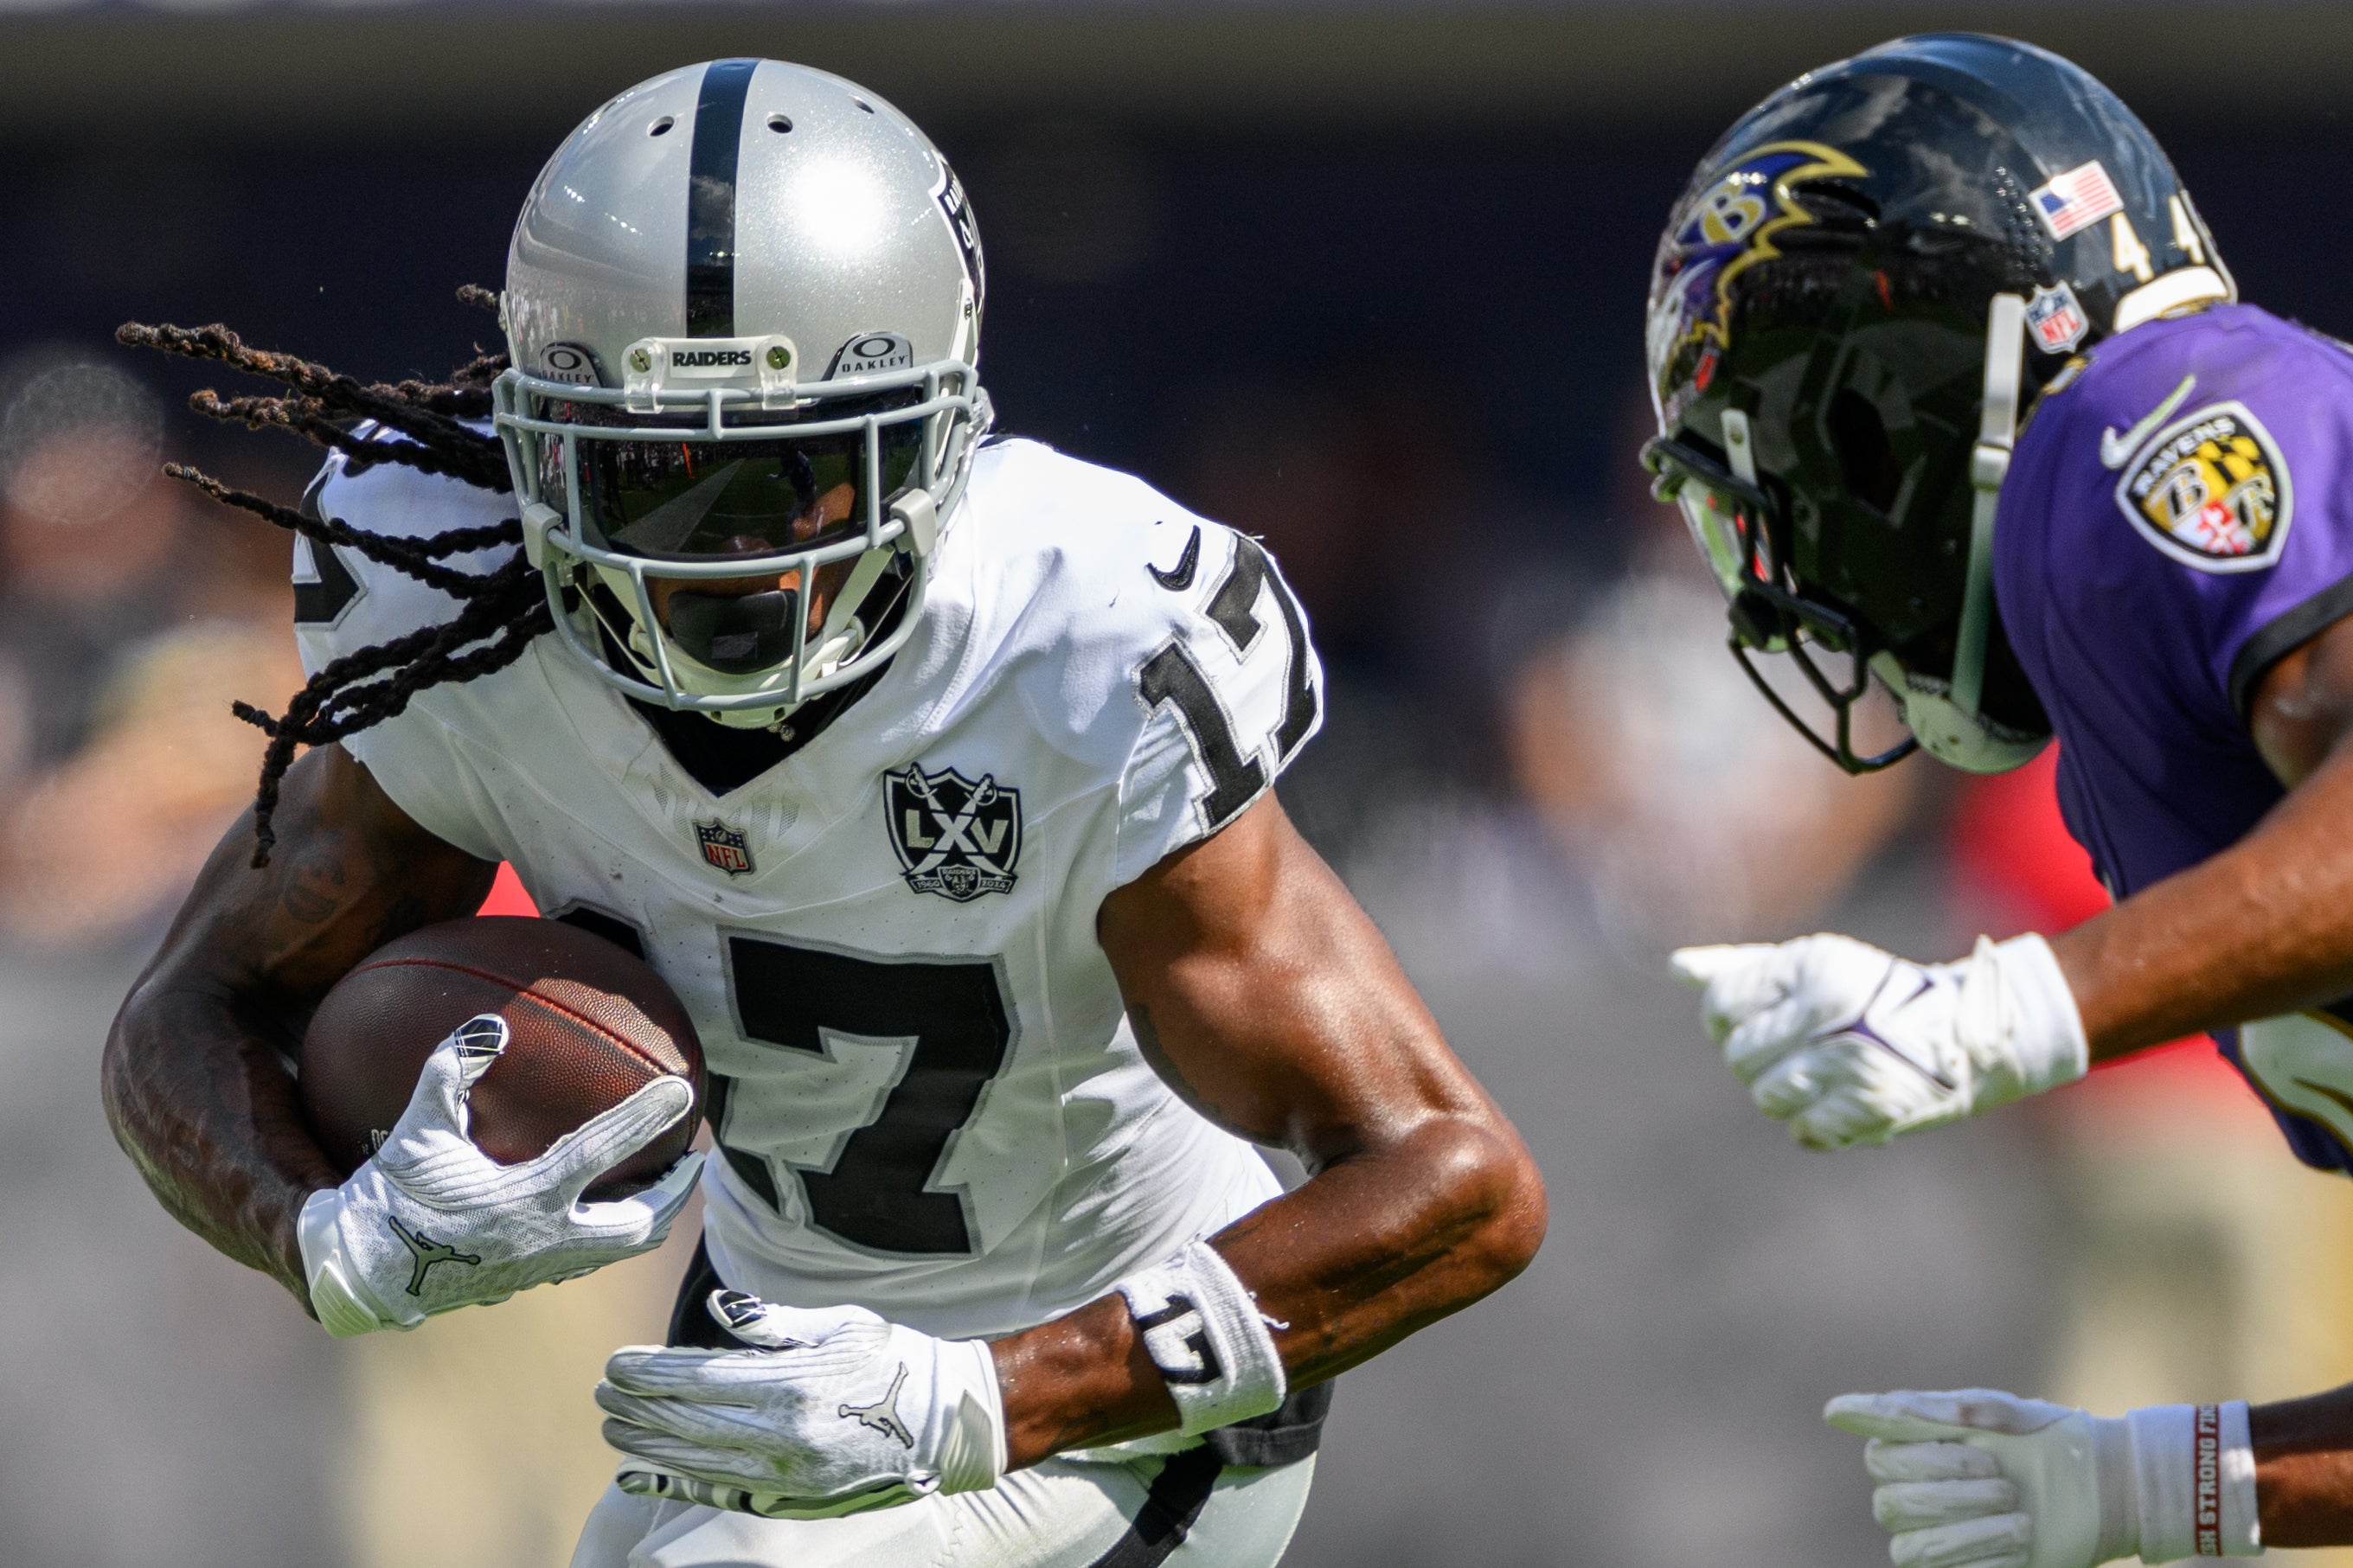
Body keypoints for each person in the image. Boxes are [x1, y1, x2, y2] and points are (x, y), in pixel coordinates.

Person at [102, 59, 1546, 1568]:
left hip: (1097, 1390)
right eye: (653, 477)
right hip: (762, 1348)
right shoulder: (456, 603)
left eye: (789, 477)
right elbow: (193, 1007)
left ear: (940, 440)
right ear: (533, 446)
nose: (722, 557)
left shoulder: (1076, 645)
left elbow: (1457, 1180)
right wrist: (323, 1231)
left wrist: (979, 1400)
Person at [1644, 32, 2353, 1566]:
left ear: (1869, 404)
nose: (1785, 578)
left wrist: (2008, 1010)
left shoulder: (2144, 424)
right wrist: (2160, 1480)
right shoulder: (2126, 696)